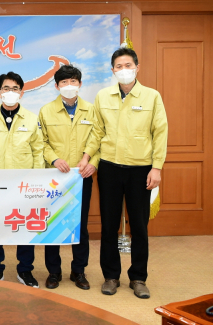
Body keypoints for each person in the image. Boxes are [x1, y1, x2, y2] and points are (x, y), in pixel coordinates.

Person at [88, 48, 167, 299]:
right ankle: (111, 276)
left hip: (140, 169)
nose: (124, 70)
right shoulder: (103, 96)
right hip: (109, 168)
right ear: (113, 70)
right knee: (109, 225)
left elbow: (160, 133)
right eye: (119, 66)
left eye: (128, 65)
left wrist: (157, 167)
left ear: (137, 67)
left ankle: (138, 278)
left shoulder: (152, 96)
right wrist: (87, 156)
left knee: (139, 227)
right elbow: (97, 131)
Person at [38, 64, 101, 291]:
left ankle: (79, 271)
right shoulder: (46, 111)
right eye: (64, 82)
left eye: (73, 81)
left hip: (81, 177)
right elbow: (41, 142)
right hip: (55, 178)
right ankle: (53, 272)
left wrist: (91, 161)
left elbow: (98, 138)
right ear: (57, 86)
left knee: (80, 225)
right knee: (53, 224)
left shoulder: (91, 110)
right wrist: (54, 159)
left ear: (80, 84)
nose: (69, 85)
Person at [0, 72, 44, 287]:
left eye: (15, 88)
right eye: (6, 88)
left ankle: (25, 270)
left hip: (24, 184)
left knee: (25, 228)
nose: (10, 92)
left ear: (22, 93)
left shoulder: (31, 118)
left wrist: (36, 181)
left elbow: (38, 150)